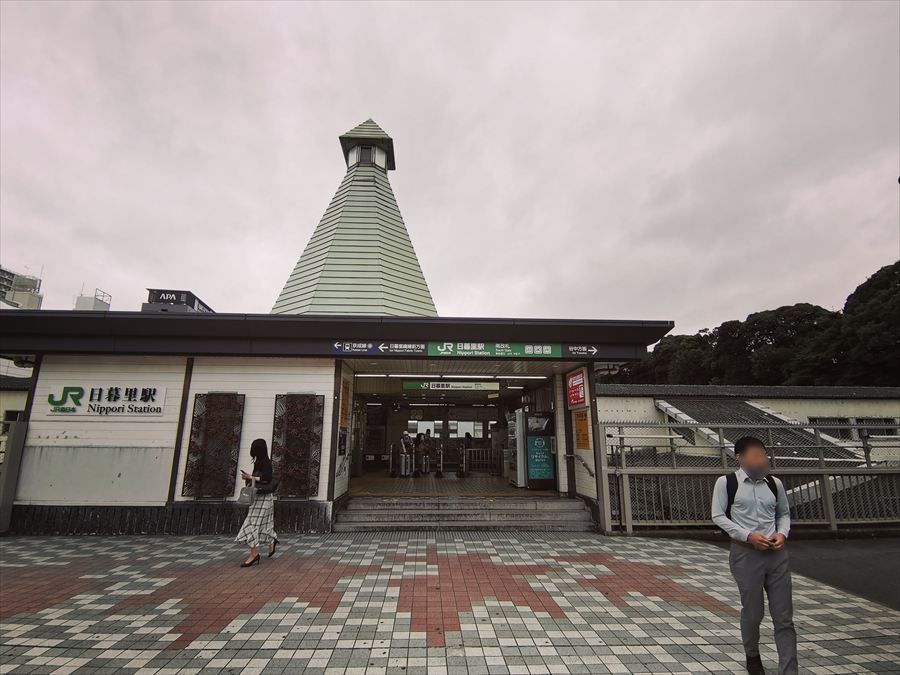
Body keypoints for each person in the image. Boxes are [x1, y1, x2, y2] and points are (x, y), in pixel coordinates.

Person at [711, 436, 796, 675]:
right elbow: (718, 516)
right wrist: (748, 536)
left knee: (784, 617)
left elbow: (784, 513)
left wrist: (782, 533)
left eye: (764, 454)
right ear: (740, 457)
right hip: (745, 555)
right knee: (753, 611)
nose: (763, 459)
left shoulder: (774, 483)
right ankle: (752, 654)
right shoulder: (726, 483)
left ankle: (789, 670)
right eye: (757, 455)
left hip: (777, 554)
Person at [235, 438, 279, 567]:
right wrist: (250, 476)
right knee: (265, 523)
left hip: (264, 498)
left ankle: (254, 554)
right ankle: (272, 541)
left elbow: (266, 478)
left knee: (251, 524)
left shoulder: (266, 462)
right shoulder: (258, 461)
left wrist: (250, 477)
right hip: (258, 496)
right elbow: (259, 478)